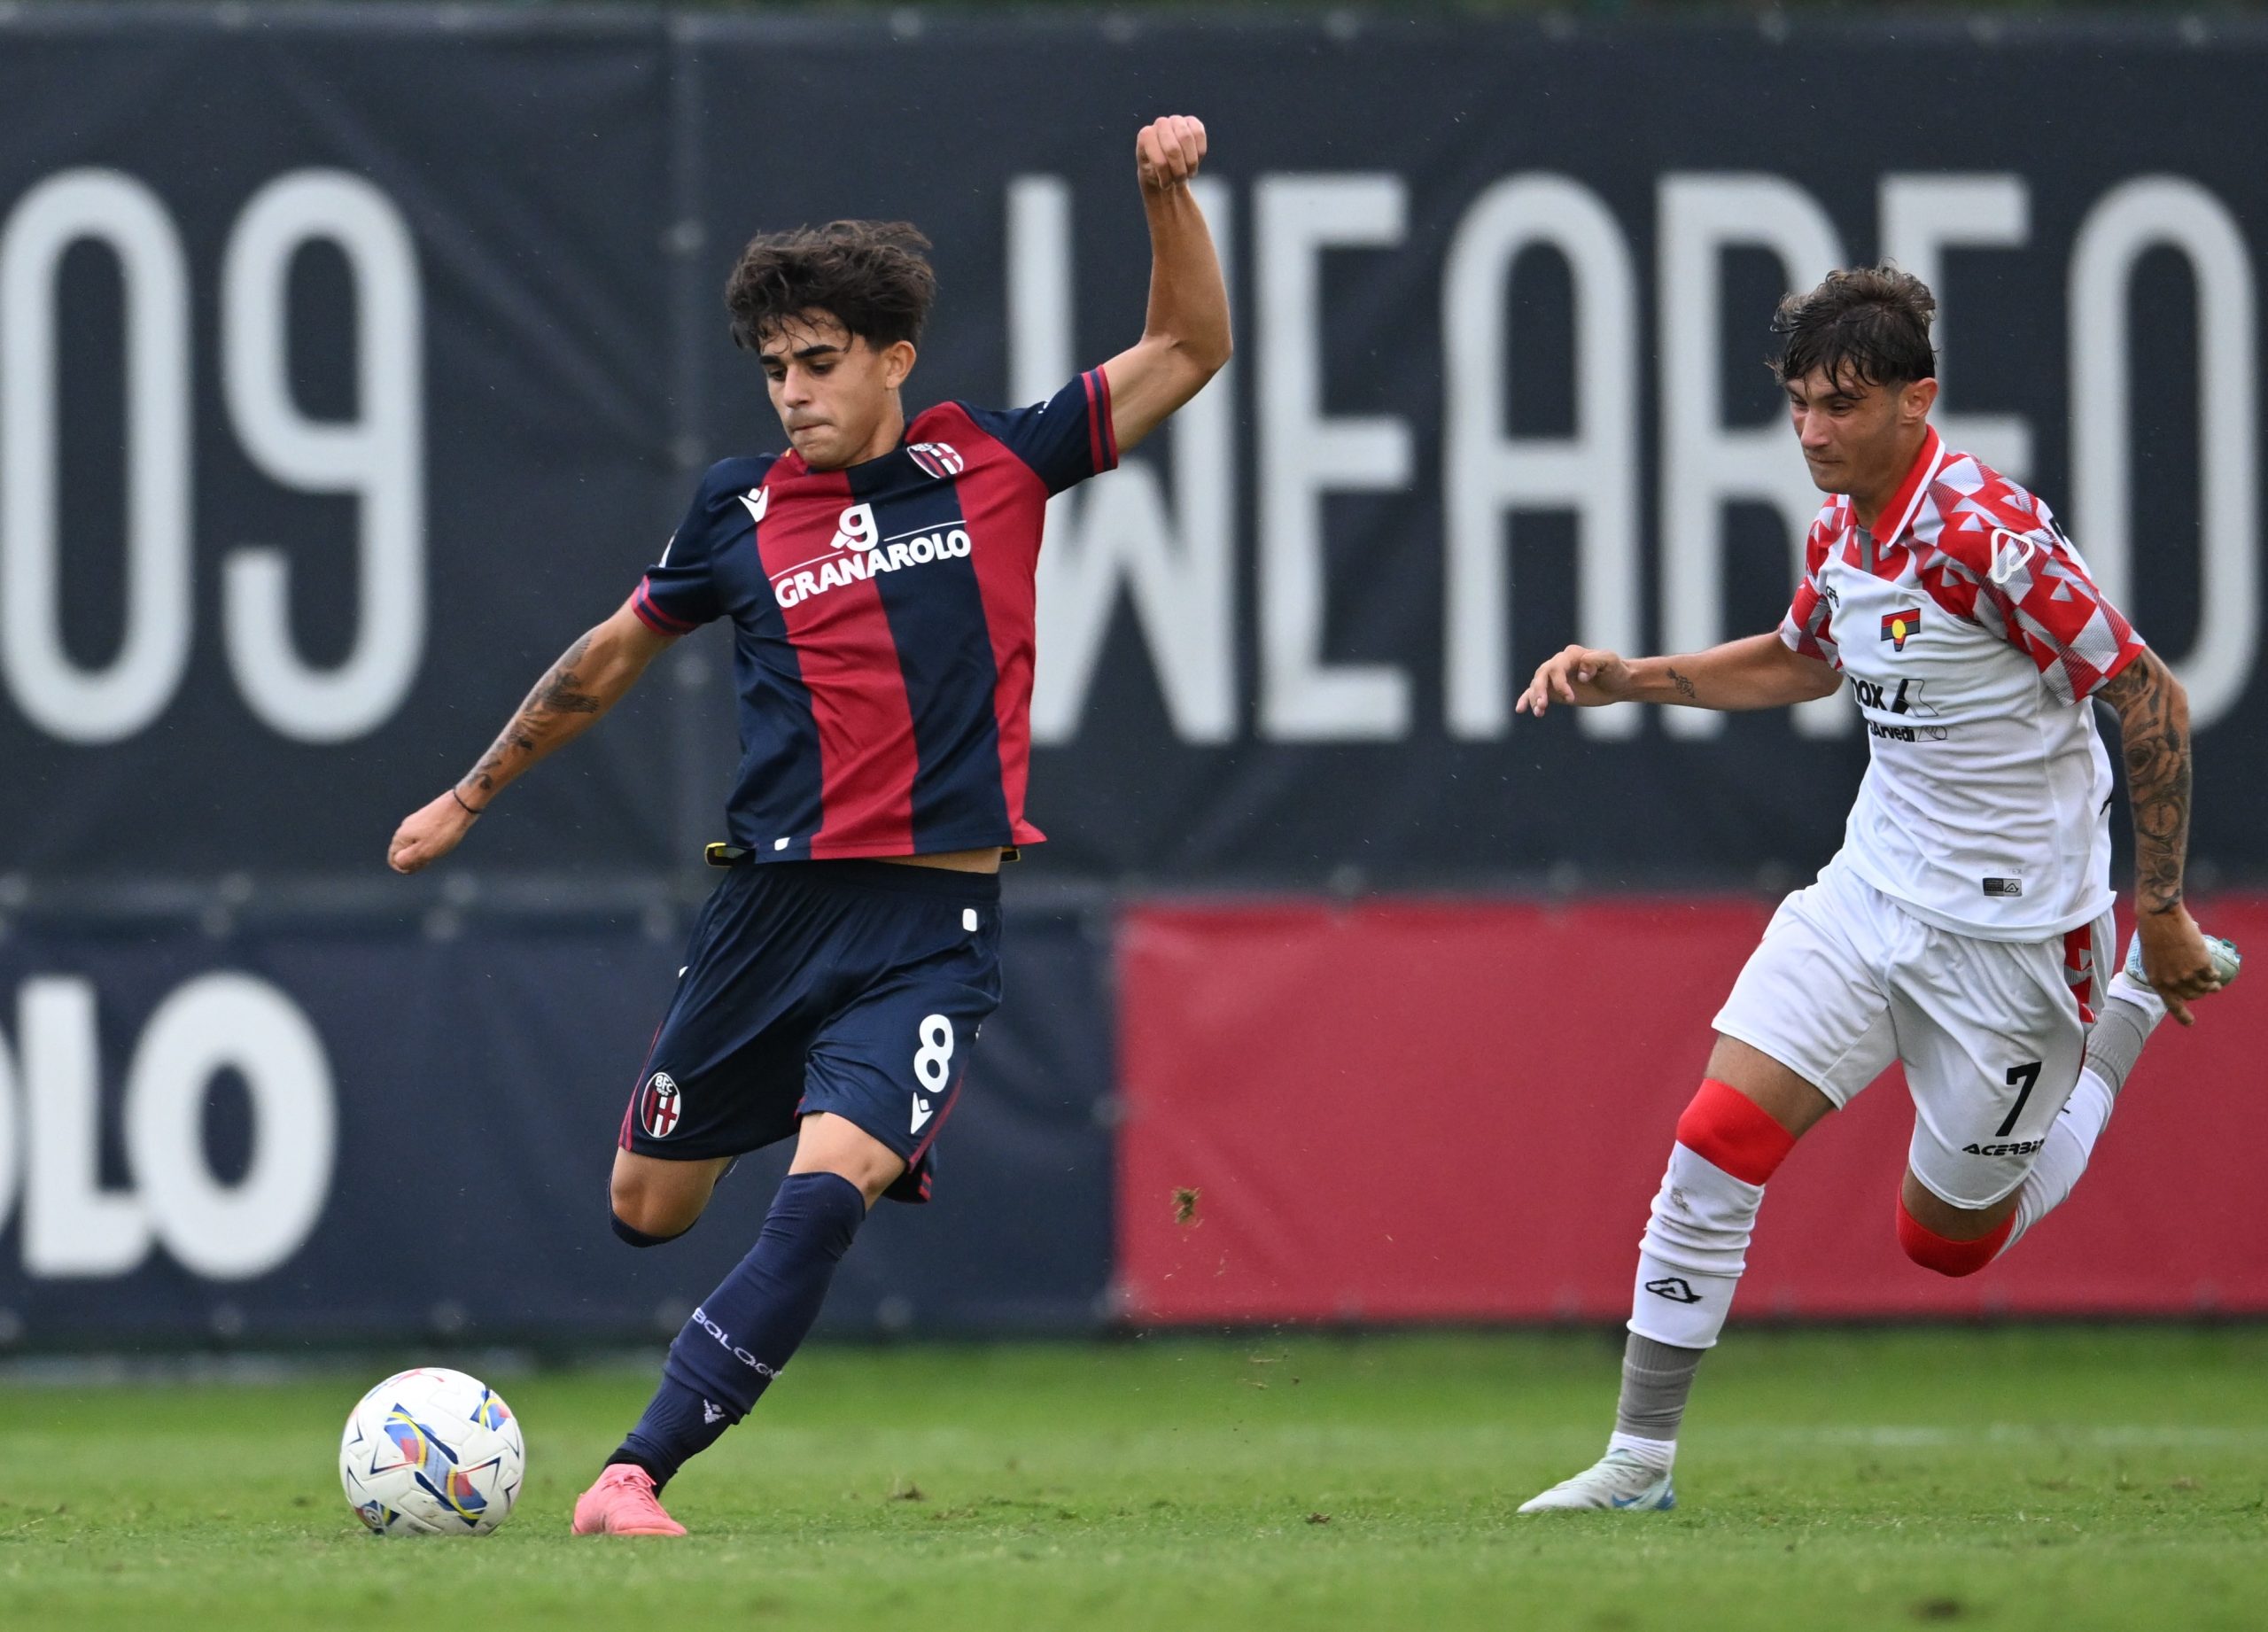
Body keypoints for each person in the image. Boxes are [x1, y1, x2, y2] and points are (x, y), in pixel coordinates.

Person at [386, 116, 1229, 1536]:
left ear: (895, 357)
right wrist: (472, 792)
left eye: (818, 361)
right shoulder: (737, 510)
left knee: (825, 1192)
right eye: (773, 367)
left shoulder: (998, 463)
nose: (791, 391)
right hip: (767, 919)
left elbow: (1190, 347)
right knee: (647, 1207)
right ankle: (829, 1090)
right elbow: (605, 659)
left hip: (927, 932)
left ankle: (629, 1473)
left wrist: (1164, 201)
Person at [1510, 265, 2238, 1513]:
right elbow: (1802, 664)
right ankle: (1639, 1461)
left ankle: (2119, 1016)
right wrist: (1630, 677)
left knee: (1945, 1245)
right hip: (1870, 896)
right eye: (1798, 402)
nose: (1812, 430)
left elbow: (2149, 696)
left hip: (2016, 946)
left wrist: (2158, 910)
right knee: (1714, 1139)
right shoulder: (1842, 530)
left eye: (1842, 404)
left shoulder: (1986, 536)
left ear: (1920, 400)